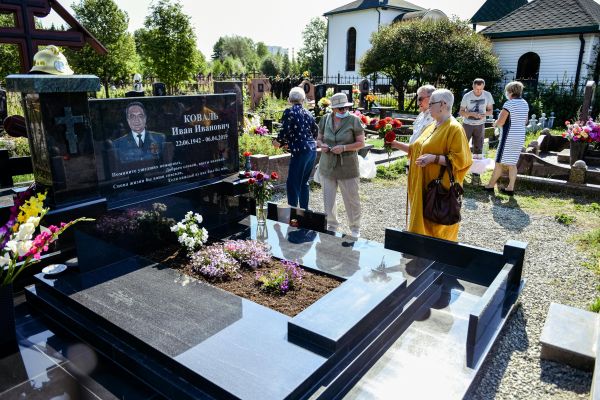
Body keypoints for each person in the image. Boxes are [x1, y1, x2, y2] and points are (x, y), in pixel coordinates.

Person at [388, 89, 472, 241]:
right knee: (421, 227)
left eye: (431, 103)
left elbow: (462, 161)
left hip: (439, 191)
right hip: (422, 186)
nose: (428, 107)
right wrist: (394, 144)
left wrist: (434, 158)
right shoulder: (432, 125)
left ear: (443, 105)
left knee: (436, 230)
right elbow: (416, 149)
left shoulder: (454, 128)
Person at [316, 93, 365, 238]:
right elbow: (319, 139)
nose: (343, 110)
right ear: (333, 109)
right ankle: (332, 225)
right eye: (340, 108)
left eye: (345, 107)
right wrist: (322, 145)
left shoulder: (354, 120)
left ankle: (355, 228)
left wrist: (344, 148)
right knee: (328, 199)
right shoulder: (325, 119)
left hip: (348, 166)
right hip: (328, 164)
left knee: (352, 199)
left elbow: (361, 143)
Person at [272, 87, 317, 209]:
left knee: (292, 183)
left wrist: (278, 142)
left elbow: (285, 130)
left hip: (300, 151)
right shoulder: (308, 113)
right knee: (303, 182)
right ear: (303, 99)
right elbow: (314, 131)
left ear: (289, 99)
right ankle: (304, 211)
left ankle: (292, 214)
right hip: (312, 150)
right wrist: (291, 142)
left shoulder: (290, 112)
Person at [484, 81, 529, 196]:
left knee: (498, 162)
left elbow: (501, 122)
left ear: (510, 92)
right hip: (520, 135)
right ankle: (510, 188)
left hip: (508, 136)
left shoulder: (509, 104)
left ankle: (490, 185)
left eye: (507, 91)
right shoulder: (525, 103)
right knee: (512, 164)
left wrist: (495, 124)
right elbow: (525, 121)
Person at [459, 78, 494, 182]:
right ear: (473, 87)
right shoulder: (467, 96)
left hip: (480, 124)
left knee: (478, 149)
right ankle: (460, 170)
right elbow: (461, 112)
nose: (478, 91)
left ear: (483, 87)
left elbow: (490, 111)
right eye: (476, 89)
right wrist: (471, 114)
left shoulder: (487, 95)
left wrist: (484, 114)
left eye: (480, 89)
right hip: (467, 124)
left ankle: (476, 174)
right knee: (463, 146)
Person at [113, 102, 166, 166]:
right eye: (132, 116)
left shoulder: (159, 138)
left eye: (140, 116)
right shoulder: (118, 144)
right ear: (128, 120)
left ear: (145, 118)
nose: (137, 120)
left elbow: (164, 163)